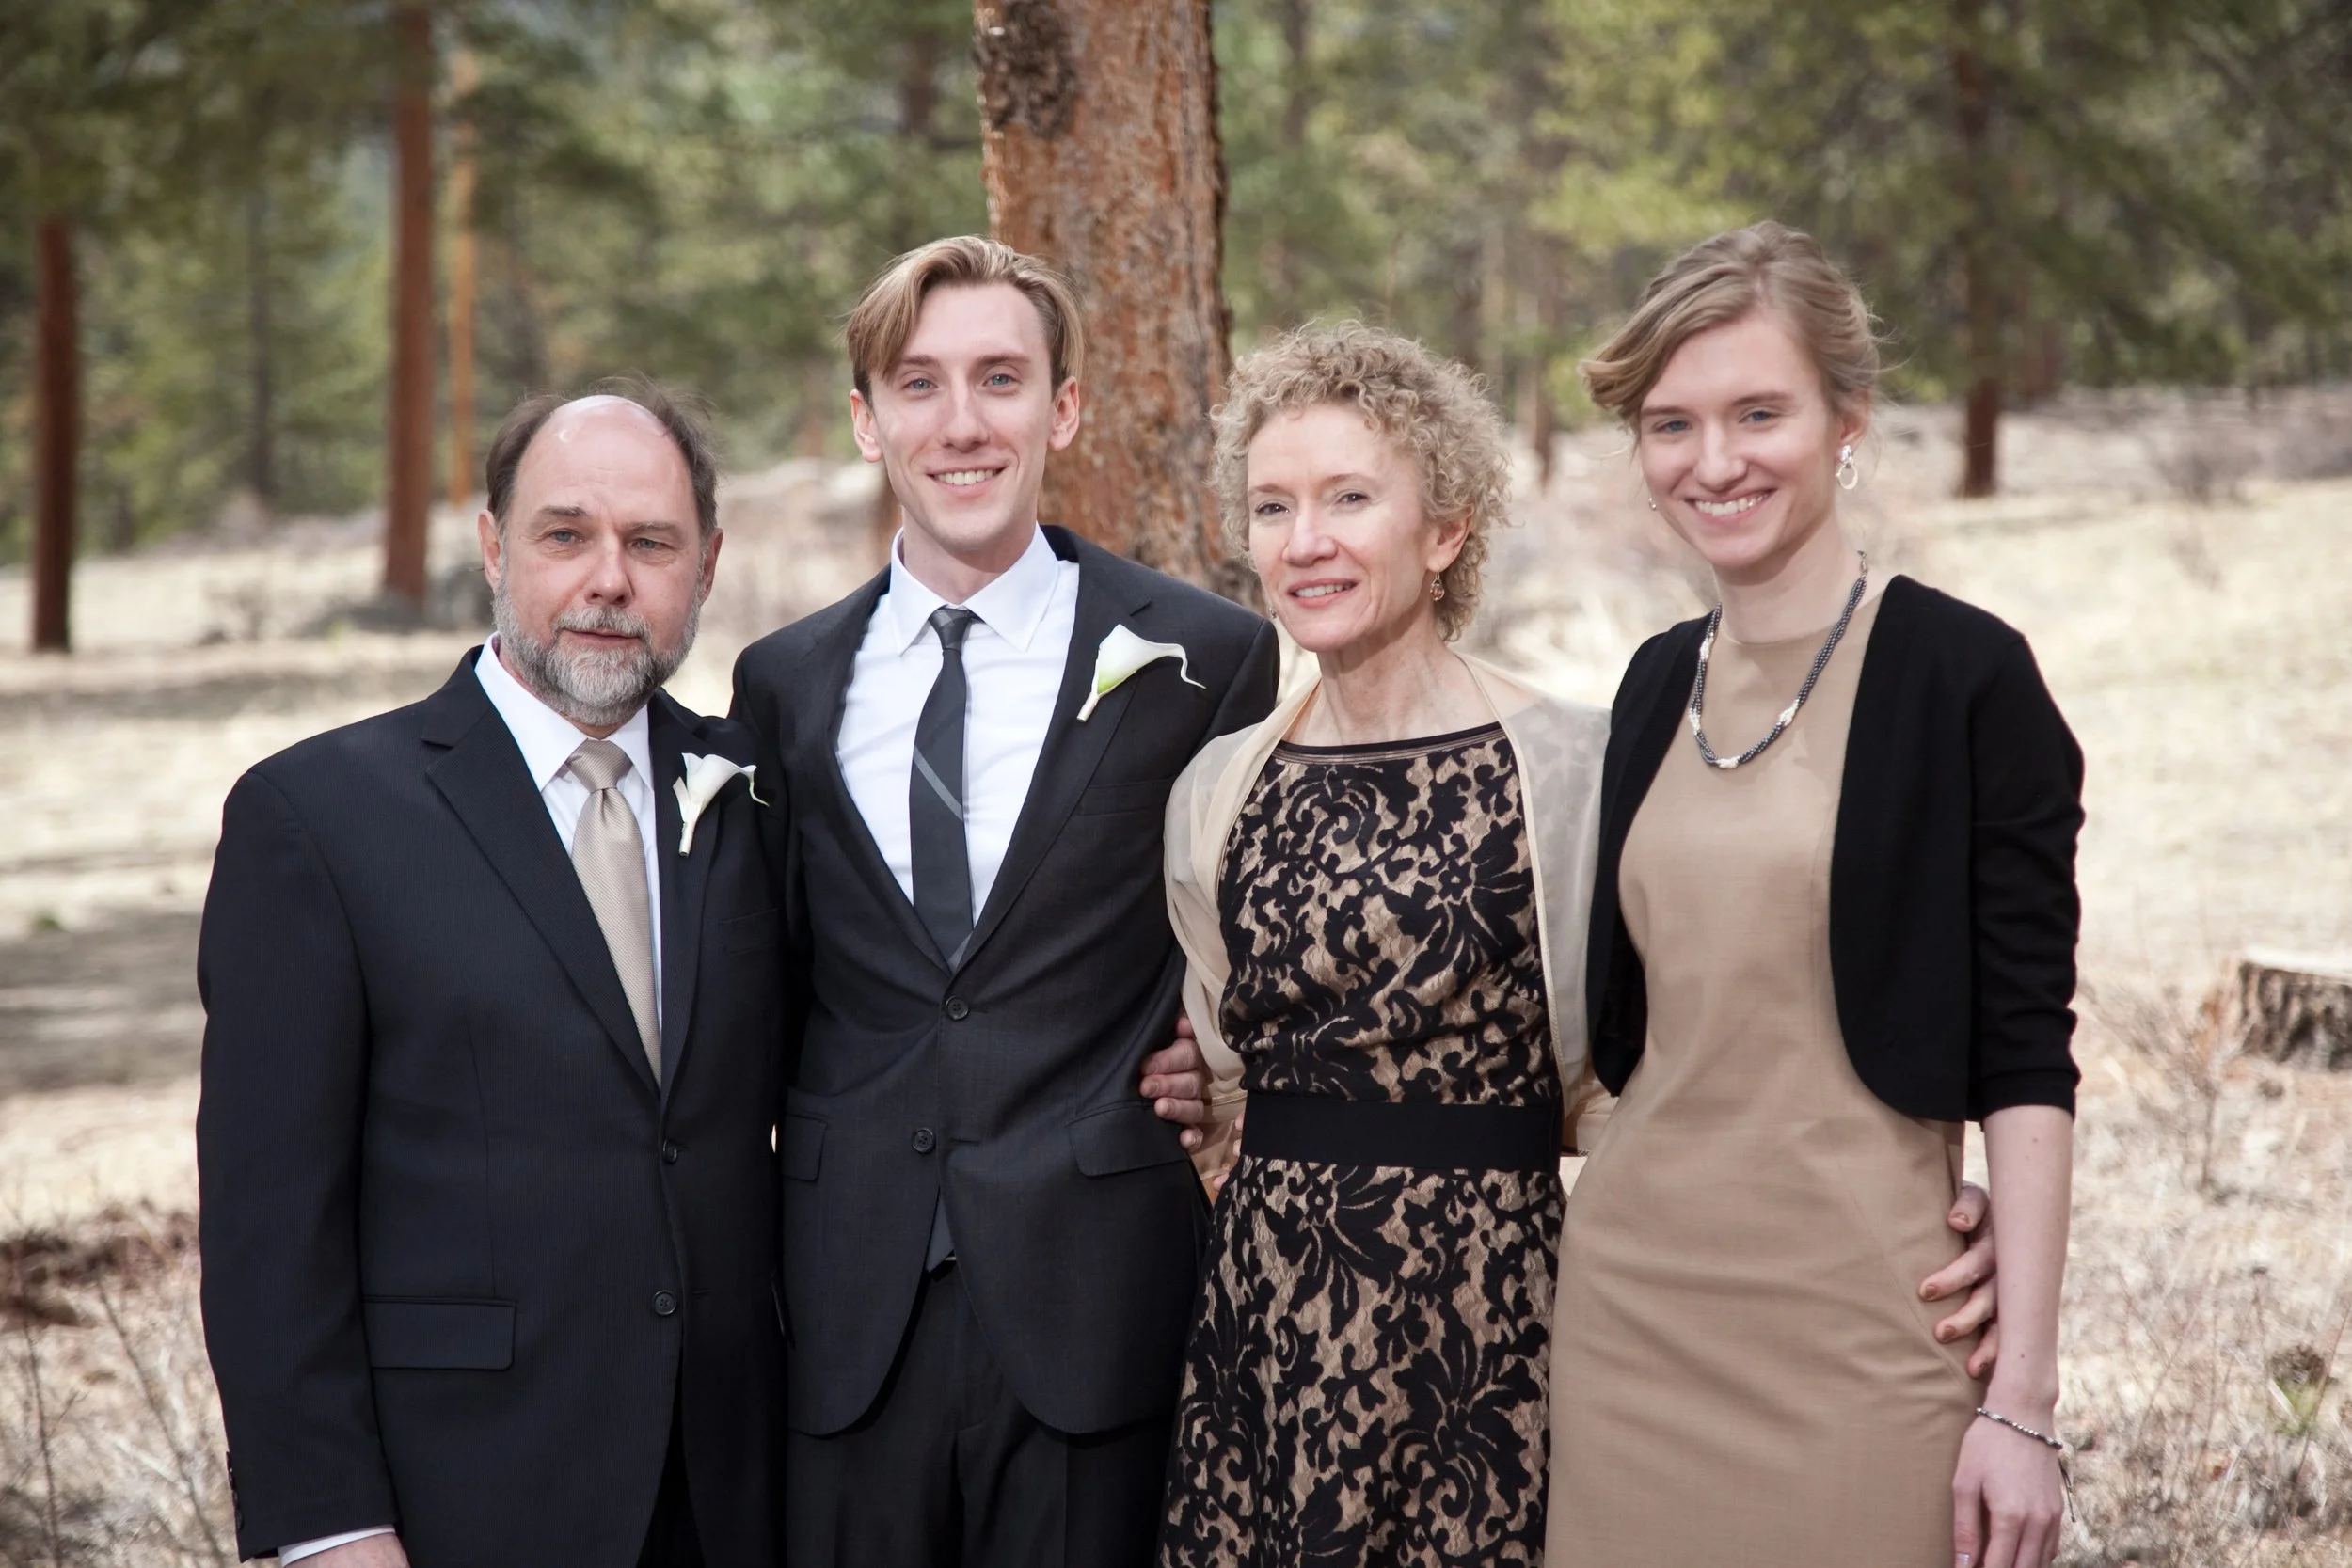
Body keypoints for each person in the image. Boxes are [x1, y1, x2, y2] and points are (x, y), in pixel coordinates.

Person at [1158, 322, 2013, 1568]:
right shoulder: (1215, 791)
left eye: (1349, 497)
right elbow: (1222, 1081)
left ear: (1445, 528)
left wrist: (1920, 1193)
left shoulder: (1577, 764)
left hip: (1495, 1317)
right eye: (1272, 506)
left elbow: (1685, 1053)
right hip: (1267, 1327)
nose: (1306, 540)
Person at [729, 236, 1279, 1568]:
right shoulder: (782, 684)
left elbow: (1247, 946)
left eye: (1000, 378)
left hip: (1098, 1299)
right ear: (867, 421)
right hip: (848, 1306)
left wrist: (1217, 1062)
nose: (962, 422)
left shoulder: (1205, 659)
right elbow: (767, 980)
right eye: (918, 384)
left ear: (1063, 407)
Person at [1546, 221, 2080, 1568]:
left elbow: (2027, 1048)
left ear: (1848, 417)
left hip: (1871, 1326)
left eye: (1757, 412)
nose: (1713, 461)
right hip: (1630, 1321)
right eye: (1671, 423)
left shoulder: (1965, 676)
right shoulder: (1652, 682)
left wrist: (2021, 1397)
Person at [199, 385, 786, 1566]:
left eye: (652, 542)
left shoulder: (761, 798)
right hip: (466, 1493)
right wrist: (330, 1524)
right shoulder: (319, 818)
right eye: (566, 534)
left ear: (708, 566)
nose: (609, 579)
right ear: (492, 547)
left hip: (739, 1494)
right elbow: (270, 1222)